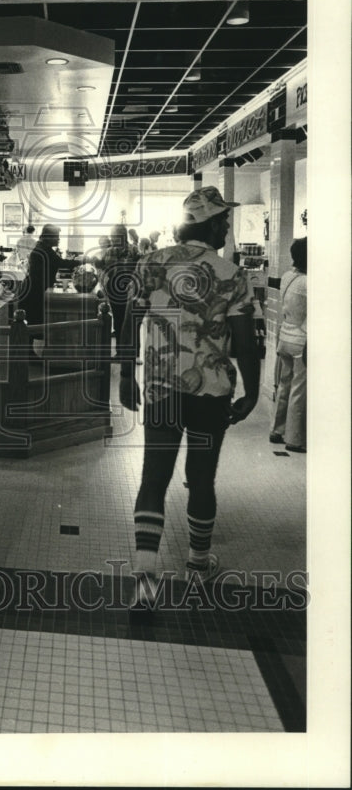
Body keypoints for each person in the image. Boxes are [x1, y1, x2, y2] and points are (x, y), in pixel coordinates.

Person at [118, 187, 260, 612]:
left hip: (163, 390)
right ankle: (198, 564)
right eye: (225, 222)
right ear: (212, 223)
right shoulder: (231, 274)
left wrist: (127, 374)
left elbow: (130, 320)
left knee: (154, 479)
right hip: (210, 394)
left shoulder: (151, 263)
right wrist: (253, 391)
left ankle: (144, 582)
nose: (228, 228)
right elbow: (245, 342)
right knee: (201, 478)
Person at [17, 224, 83, 345]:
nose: (58, 239)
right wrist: (82, 261)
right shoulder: (43, 249)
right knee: (32, 323)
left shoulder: (43, 247)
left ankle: (30, 355)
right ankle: (28, 357)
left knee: (33, 323)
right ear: (48, 237)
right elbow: (61, 263)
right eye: (56, 237)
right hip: (34, 290)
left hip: (34, 288)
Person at [270, 237, 307, 453]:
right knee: (298, 390)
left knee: (284, 385)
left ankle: (277, 429)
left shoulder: (287, 276)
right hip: (301, 342)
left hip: (284, 337)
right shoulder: (308, 282)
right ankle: (294, 439)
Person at [100, 224, 139, 355]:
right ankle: (119, 351)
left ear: (122, 236)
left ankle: (133, 352)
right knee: (117, 319)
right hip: (113, 289)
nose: (111, 239)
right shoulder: (110, 251)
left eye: (114, 236)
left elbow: (140, 270)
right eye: (111, 236)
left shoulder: (134, 251)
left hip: (129, 289)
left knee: (130, 321)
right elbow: (105, 268)